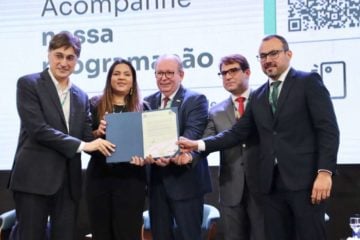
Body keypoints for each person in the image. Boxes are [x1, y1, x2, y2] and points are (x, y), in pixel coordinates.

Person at [178, 35, 340, 240]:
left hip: (306, 181)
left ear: (288, 54)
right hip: (271, 186)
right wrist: (198, 144)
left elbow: (328, 130)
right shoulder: (260, 95)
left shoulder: (308, 81)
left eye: (274, 53)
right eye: (263, 56)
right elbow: (237, 133)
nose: (268, 60)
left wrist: (324, 172)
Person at [8, 31, 115, 240]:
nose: (64, 62)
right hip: (33, 181)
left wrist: (104, 134)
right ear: (49, 54)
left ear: (77, 60)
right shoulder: (29, 84)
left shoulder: (81, 96)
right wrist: (85, 145)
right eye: (59, 55)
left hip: (68, 184)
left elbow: (86, 136)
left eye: (70, 57)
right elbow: (38, 129)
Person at [143, 54, 212, 240]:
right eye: (159, 73)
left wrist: (169, 153)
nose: (163, 78)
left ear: (181, 74)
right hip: (157, 186)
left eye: (169, 73)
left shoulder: (195, 100)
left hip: (186, 184)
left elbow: (193, 133)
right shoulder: (146, 102)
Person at [85, 58, 150, 240]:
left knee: (128, 234)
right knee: (101, 233)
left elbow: (150, 146)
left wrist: (145, 158)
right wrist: (97, 133)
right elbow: (83, 142)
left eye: (127, 74)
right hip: (99, 179)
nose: (121, 77)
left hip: (132, 180)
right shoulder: (94, 105)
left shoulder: (143, 108)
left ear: (133, 81)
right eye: (116, 73)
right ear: (109, 78)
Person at [203, 54, 265, 240]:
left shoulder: (264, 102)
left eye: (233, 71)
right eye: (223, 73)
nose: (228, 76)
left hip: (263, 184)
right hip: (231, 187)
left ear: (247, 72)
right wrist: (186, 153)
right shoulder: (215, 112)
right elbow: (205, 142)